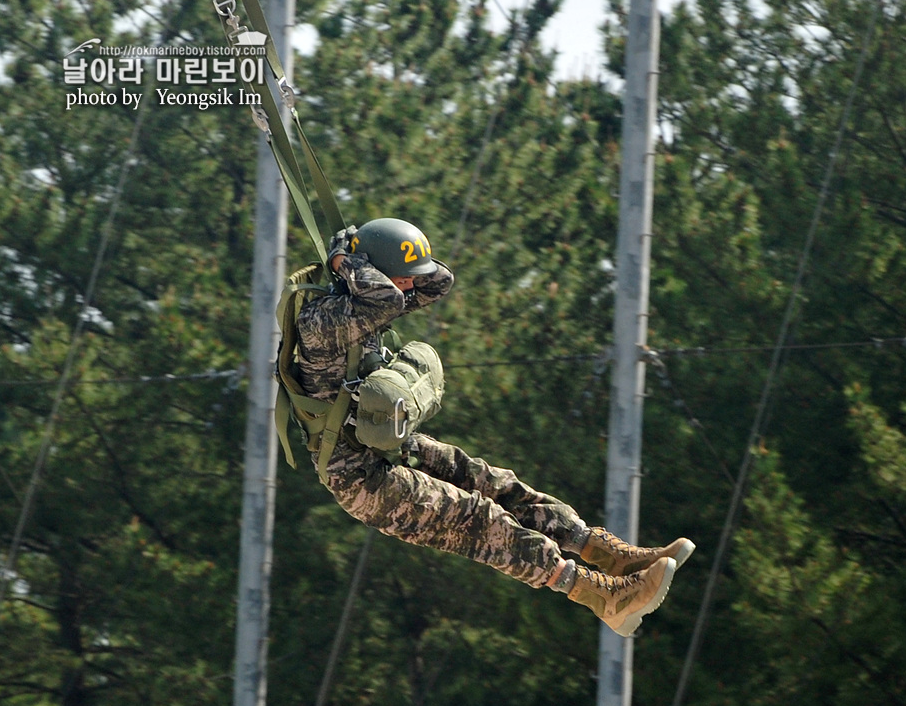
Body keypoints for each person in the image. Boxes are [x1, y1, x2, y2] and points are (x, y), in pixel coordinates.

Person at [280, 219, 694, 636]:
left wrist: (366, 263)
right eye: (402, 279)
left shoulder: (365, 301)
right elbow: (388, 297)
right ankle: (601, 596)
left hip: (388, 450)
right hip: (360, 477)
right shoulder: (325, 319)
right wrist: (345, 259)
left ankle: (605, 553)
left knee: (492, 483)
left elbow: (438, 281)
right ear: (371, 271)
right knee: (478, 519)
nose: (409, 289)